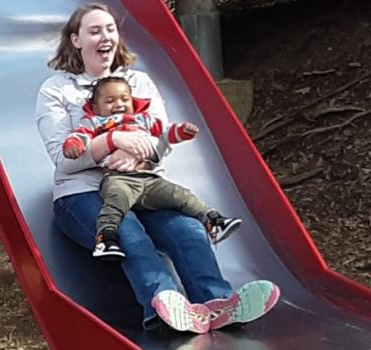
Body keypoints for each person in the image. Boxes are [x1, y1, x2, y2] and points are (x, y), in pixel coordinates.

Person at [35, 2, 279, 334]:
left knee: (189, 229)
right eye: (94, 31)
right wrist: (114, 140)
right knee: (128, 232)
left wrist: (138, 155)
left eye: (110, 29)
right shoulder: (57, 90)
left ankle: (215, 303)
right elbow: (64, 157)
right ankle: (163, 306)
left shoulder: (138, 82)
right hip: (84, 193)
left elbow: (161, 138)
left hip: (142, 182)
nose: (104, 36)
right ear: (76, 40)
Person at [62, 76, 242, 260]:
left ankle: (212, 221)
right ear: (96, 108)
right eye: (110, 101)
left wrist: (182, 131)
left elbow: (165, 132)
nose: (119, 104)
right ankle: (106, 238)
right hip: (119, 178)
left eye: (125, 99)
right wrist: (73, 146)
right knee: (116, 203)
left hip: (149, 178)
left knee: (180, 194)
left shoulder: (143, 119)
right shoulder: (95, 122)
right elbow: (80, 136)